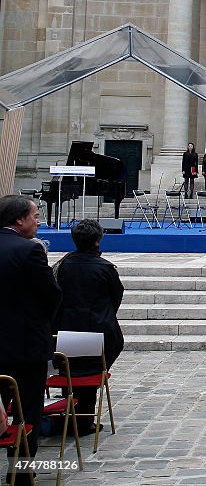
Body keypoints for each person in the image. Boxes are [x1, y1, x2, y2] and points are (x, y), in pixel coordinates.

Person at [0, 196, 61, 477]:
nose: (39, 221)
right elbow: (51, 295)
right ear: (19, 220)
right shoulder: (29, 251)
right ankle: (21, 471)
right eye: (35, 216)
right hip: (24, 346)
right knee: (27, 410)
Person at [51, 219, 124, 435]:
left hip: (66, 327)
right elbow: (116, 296)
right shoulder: (105, 268)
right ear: (97, 240)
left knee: (71, 366)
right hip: (98, 326)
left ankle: (72, 409)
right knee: (92, 366)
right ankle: (83, 419)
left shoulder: (63, 265)